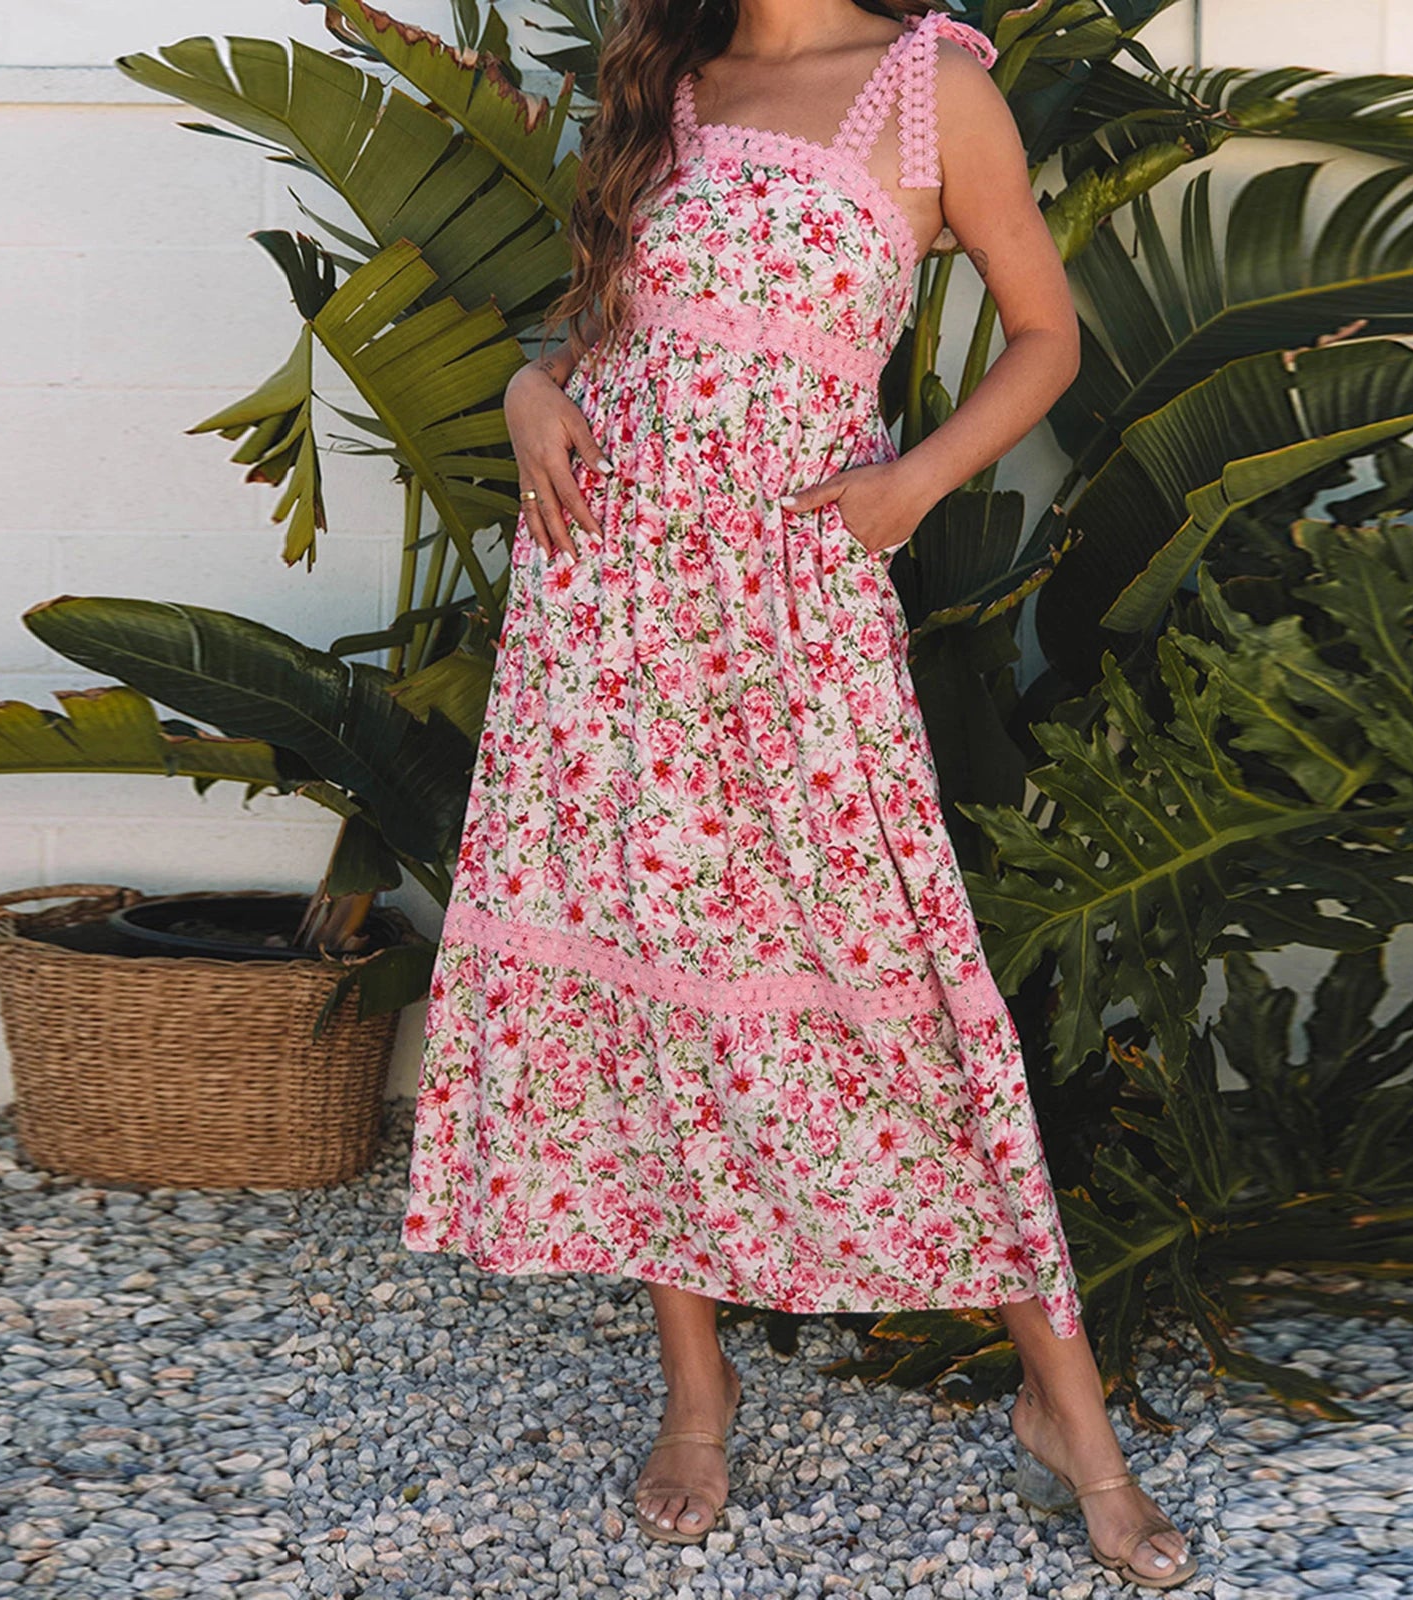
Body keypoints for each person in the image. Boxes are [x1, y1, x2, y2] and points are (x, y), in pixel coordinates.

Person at [401, 0, 1196, 1589]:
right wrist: (525, 389)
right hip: (606, 604)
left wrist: (912, 481)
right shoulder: (669, 88)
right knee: (648, 978)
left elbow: (1046, 335)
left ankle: (1071, 1412)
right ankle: (695, 1384)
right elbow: (599, 335)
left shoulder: (932, 88)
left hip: (792, 598)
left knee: (891, 975)